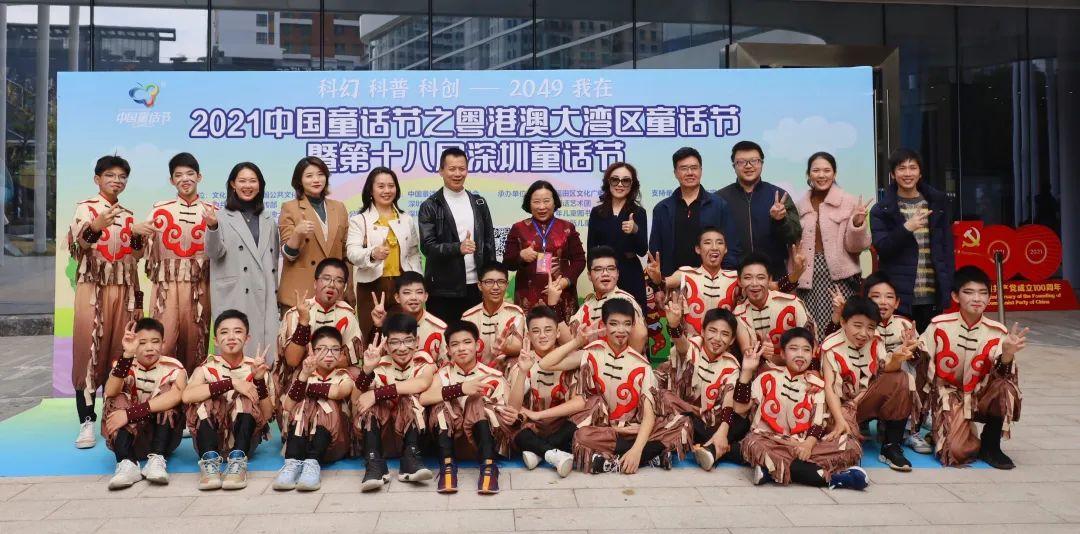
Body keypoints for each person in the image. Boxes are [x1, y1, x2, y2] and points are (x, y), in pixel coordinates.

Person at [540, 299, 692, 474]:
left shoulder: (641, 365)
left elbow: (649, 417)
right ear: (603, 325)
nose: (621, 330)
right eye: (614, 324)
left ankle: (614, 461)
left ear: (633, 326)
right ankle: (649, 456)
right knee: (582, 436)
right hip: (604, 432)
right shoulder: (592, 353)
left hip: (634, 431)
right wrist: (576, 342)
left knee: (682, 425)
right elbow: (546, 364)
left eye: (626, 324)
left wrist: (636, 450)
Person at [68, 155, 146, 449]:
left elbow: (135, 259)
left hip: (124, 293)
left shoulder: (128, 215)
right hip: (93, 290)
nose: (117, 181)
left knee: (120, 353)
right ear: (97, 179)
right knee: (88, 352)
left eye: (122, 176)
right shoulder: (84, 208)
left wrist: (136, 236)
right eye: (110, 175)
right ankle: (86, 420)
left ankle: (114, 415)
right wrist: (96, 225)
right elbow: (78, 247)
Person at [921, 266, 1026, 469]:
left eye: (983, 293)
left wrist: (1007, 354)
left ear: (989, 297)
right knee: (955, 452)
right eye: (969, 292)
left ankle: (991, 444)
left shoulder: (998, 331)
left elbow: (1004, 375)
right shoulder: (938, 325)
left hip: (981, 394)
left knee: (1005, 386)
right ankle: (952, 429)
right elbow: (921, 367)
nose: (977, 298)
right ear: (955, 296)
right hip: (948, 394)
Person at [737, 327, 867, 489]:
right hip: (769, 441)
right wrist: (746, 371)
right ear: (782, 354)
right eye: (793, 349)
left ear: (813, 354)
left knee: (848, 445)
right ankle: (831, 478)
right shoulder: (767, 377)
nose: (800, 354)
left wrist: (807, 445)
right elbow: (740, 409)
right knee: (752, 442)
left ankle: (771, 469)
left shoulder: (816, 385)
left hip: (802, 444)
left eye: (806, 350)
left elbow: (818, 423)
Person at [133, 152, 213, 375]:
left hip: (200, 289)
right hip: (166, 288)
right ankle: (160, 389)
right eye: (178, 175)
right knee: (164, 340)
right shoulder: (160, 210)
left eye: (190, 173)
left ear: (199, 177)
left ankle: (193, 392)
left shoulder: (212, 211)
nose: (185, 179)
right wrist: (135, 234)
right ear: (171, 180)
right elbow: (138, 252)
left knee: (196, 342)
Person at [819, 296, 919, 472]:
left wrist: (897, 358)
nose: (864, 333)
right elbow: (829, 388)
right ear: (843, 322)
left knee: (901, 378)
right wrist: (840, 421)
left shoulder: (875, 339)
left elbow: (885, 368)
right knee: (844, 452)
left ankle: (891, 446)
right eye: (857, 326)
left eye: (870, 327)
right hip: (839, 408)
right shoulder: (830, 346)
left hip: (865, 399)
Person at [182, 310, 274, 490]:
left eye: (238, 331)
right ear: (216, 340)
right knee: (207, 399)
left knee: (245, 399)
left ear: (247, 338)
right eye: (224, 332)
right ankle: (209, 464)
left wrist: (258, 381)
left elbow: (268, 414)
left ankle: (238, 463)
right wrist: (231, 383)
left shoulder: (256, 367)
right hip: (208, 441)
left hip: (246, 444)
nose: (231, 337)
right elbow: (187, 396)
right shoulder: (206, 368)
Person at [419, 320, 509, 494]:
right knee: (440, 402)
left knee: (477, 400)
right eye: (455, 344)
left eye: (467, 342)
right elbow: (424, 398)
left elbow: (509, 413)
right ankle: (447, 468)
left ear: (477, 345)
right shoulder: (443, 374)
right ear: (448, 350)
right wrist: (460, 389)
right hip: (451, 442)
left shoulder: (492, 375)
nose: (461, 348)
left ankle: (489, 468)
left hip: (483, 443)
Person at [350, 313, 438, 491]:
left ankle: (411, 459)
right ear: (386, 345)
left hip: (418, 438)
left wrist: (377, 393)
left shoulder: (424, 361)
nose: (402, 348)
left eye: (408, 341)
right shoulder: (379, 364)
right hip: (384, 437)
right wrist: (367, 370)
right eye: (395, 342)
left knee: (409, 398)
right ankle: (374, 463)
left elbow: (422, 383)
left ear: (417, 341)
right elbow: (356, 400)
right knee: (370, 405)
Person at [869, 148, 954, 331]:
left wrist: (948, 285)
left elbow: (946, 248)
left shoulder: (936, 204)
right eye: (901, 168)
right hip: (898, 296)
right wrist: (907, 228)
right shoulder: (881, 210)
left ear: (920, 172)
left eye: (912, 168)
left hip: (932, 294)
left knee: (929, 345)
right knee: (899, 345)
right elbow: (883, 248)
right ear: (893, 174)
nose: (907, 173)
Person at [273, 257, 364, 428]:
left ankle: (347, 428)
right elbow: (292, 360)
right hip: (301, 374)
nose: (332, 285)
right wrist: (304, 322)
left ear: (344, 287)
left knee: (359, 375)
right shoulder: (295, 313)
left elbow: (349, 359)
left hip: (335, 375)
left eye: (338, 281)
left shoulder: (348, 315)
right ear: (315, 283)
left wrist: (320, 363)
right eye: (326, 279)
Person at [662, 305, 754, 471]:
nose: (717, 338)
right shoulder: (692, 346)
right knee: (666, 401)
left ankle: (711, 447)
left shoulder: (731, 364)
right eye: (712, 331)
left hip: (707, 422)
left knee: (741, 421)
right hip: (679, 413)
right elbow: (681, 344)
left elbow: (728, 404)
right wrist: (674, 326)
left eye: (725, 334)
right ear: (703, 332)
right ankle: (716, 450)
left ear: (732, 340)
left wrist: (722, 434)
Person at [101, 318, 187, 489]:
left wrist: (129, 414)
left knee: (168, 398)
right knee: (116, 397)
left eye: (155, 342)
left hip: (164, 438)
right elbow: (110, 392)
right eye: (142, 343)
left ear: (163, 343)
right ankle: (127, 463)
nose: (149, 348)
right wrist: (127, 355)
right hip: (130, 438)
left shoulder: (174, 367)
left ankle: (156, 459)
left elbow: (176, 397)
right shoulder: (124, 364)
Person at [793, 152, 872, 333]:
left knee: (841, 326)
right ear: (808, 174)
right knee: (810, 327)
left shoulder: (850, 202)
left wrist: (857, 223)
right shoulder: (799, 205)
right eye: (816, 170)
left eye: (827, 170)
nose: (821, 175)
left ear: (835, 173)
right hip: (808, 277)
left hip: (840, 278)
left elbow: (857, 247)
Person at [206, 162, 280, 355]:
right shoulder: (220, 217)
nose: (248, 186)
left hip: (264, 292)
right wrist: (212, 227)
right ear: (233, 184)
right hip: (235, 293)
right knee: (236, 348)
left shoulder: (269, 220)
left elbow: (273, 261)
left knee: (266, 351)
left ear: (260, 185)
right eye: (242, 181)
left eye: (253, 181)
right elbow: (214, 253)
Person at [501, 306, 581, 478]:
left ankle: (538, 452)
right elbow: (513, 407)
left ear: (558, 333)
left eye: (548, 330)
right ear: (528, 336)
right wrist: (523, 371)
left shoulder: (569, 360)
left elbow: (579, 403)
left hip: (561, 425)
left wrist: (540, 414)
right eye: (536, 331)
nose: (542, 335)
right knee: (509, 420)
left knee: (585, 416)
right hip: (532, 427)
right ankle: (552, 453)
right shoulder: (522, 360)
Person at [418, 147, 496, 322]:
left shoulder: (479, 203)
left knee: (476, 335)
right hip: (443, 289)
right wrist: (457, 248)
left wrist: (490, 280)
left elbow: (489, 244)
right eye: (452, 169)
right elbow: (428, 247)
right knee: (444, 335)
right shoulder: (430, 205)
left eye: (462, 169)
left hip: (476, 287)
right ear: (441, 171)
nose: (457, 174)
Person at [274, 326, 355, 492]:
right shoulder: (303, 374)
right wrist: (304, 375)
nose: (329, 354)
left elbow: (338, 392)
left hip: (333, 443)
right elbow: (288, 406)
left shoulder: (343, 375)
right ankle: (292, 463)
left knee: (326, 403)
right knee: (302, 404)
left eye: (335, 349)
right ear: (312, 351)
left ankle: (313, 463)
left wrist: (306, 388)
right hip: (302, 443)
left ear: (341, 353)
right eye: (322, 349)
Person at [346, 167, 423, 338]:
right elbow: (352, 252)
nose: (387, 190)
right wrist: (372, 253)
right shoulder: (359, 220)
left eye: (391, 186)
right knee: (372, 336)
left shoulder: (406, 219)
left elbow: (413, 252)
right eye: (381, 186)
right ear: (371, 190)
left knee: (402, 335)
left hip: (401, 285)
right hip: (371, 286)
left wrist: (415, 279)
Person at [860, 272, 932, 454]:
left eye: (889, 297)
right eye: (876, 296)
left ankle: (908, 430)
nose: (883, 302)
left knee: (918, 365)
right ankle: (861, 422)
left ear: (897, 302)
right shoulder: (859, 325)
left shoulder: (905, 324)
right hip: (868, 385)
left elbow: (919, 363)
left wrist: (912, 349)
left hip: (898, 383)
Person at [716, 140, 801, 279]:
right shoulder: (720, 199)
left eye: (754, 161)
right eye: (741, 162)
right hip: (731, 276)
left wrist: (780, 221)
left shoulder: (779, 196)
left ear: (762, 163)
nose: (748, 166)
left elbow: (794, 236)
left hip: (773, 275)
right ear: (734, 166)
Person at [651, 147, 740, 278]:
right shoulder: (662, 209)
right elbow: (655, 251)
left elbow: (731, 247)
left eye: (694, 168)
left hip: (711, 281)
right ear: (675, 173)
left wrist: (723, 279)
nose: (690, 173)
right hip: (671, 281)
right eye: (684, 168)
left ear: (701, 170)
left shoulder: (719, 205)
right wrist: (659, 283)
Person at [278, 156, 352, 312]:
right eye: (309, 176)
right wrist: (297, 233)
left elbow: (346, 253)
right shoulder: (290, 208)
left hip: (333, 293)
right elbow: (288, 255)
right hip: (300, 292)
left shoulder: (339, 207)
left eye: (320, 174)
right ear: (299, 181)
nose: (316, 180)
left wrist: (348, 288)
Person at [504, 180, 586, 320]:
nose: (542, 207)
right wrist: (521, 256)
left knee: (564, 331)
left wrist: (564, 282)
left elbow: (579, 260)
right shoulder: (518, 228)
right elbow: (507, 263)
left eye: (546, 201)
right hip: (528, 296)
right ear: (529, 204)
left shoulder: (567, 228)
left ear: (554, 202)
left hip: (562, 293)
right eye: (536, 202)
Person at [646, 226, 740, 337]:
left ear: (726, 249)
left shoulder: (735, 278)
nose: (714, 247)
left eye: (719, 243)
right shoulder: (687, 273)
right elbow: (665, 283)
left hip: (724, 344)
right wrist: (657, 278)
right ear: (698, 249)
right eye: (707, 243)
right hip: (690, 344)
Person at [587, 162, 648, 313]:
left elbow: (642, 250)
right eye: (615, 180)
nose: (620, 184)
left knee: (634, 317)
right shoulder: (597, 212)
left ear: (632, 185)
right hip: (604, 274)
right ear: (608, 182)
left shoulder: (638, 213)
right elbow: (591, 249)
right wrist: (595, 276)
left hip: (630, 272)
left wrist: (635, 230)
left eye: (625, 180)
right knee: (605, 317)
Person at [732, 252, 812, 366]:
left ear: (770, 280)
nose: (754, 283)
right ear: (739, 281)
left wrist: (774, 358)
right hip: (759, 372)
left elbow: (810, 346)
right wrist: (763, 355)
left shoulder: (792, 304)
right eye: (748, 278)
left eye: (760, 278)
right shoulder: (739, 314)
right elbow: (748, 356)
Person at [567, 246, 647, 353]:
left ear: (617, 273)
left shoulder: (627, 302)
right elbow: (569, 341)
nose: (605, 273)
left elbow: (640, 336)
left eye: (611, 268)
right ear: (589, 275)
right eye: (598, 269)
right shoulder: (586, 305)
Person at [371, 271, 447, 363]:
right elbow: (375, 359)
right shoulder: (391, 324)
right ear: (397, 298)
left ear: (426, 296)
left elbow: (447, 366)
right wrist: (379, 326)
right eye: (407, 293)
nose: (413, 297)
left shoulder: (439, 328)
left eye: (419, 292)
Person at [462, 262, 525, 372]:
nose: (496, 287)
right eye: (489, 282)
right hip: (476, 373)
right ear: (479, 285)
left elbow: (518, 347)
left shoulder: (515, 313)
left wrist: (505, 347)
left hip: (505, 373)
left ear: (507, 285)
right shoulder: (468, 317)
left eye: (501, 282)